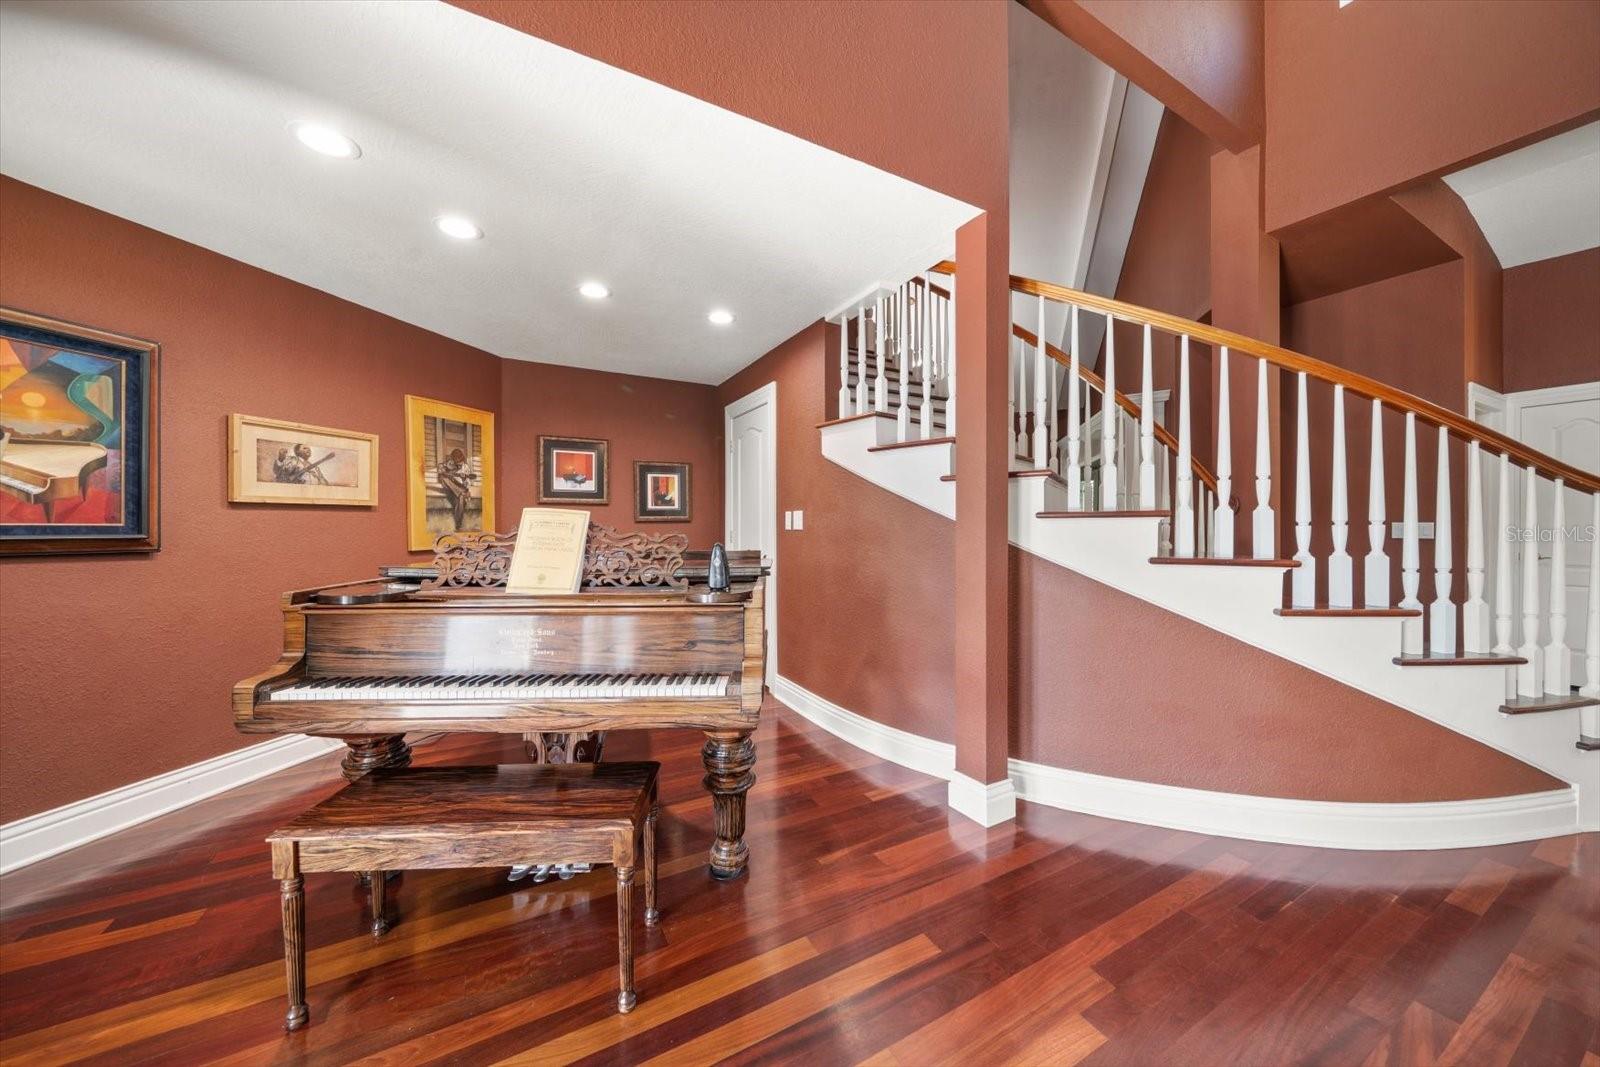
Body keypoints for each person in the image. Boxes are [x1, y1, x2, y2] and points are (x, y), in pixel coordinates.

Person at [436, 447, 474, 530]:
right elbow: (440, 472)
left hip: (461, 490)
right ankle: (460, 492)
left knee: (461, 498)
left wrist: (464, 479)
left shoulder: (465, 467)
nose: (459, 465)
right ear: (453, 460)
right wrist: (449, 472)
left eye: (460, 463)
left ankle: (458, 525)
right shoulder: (448, 465)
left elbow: (467, 484)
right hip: (450, 490)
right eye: (457, 463)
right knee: (444, 478)